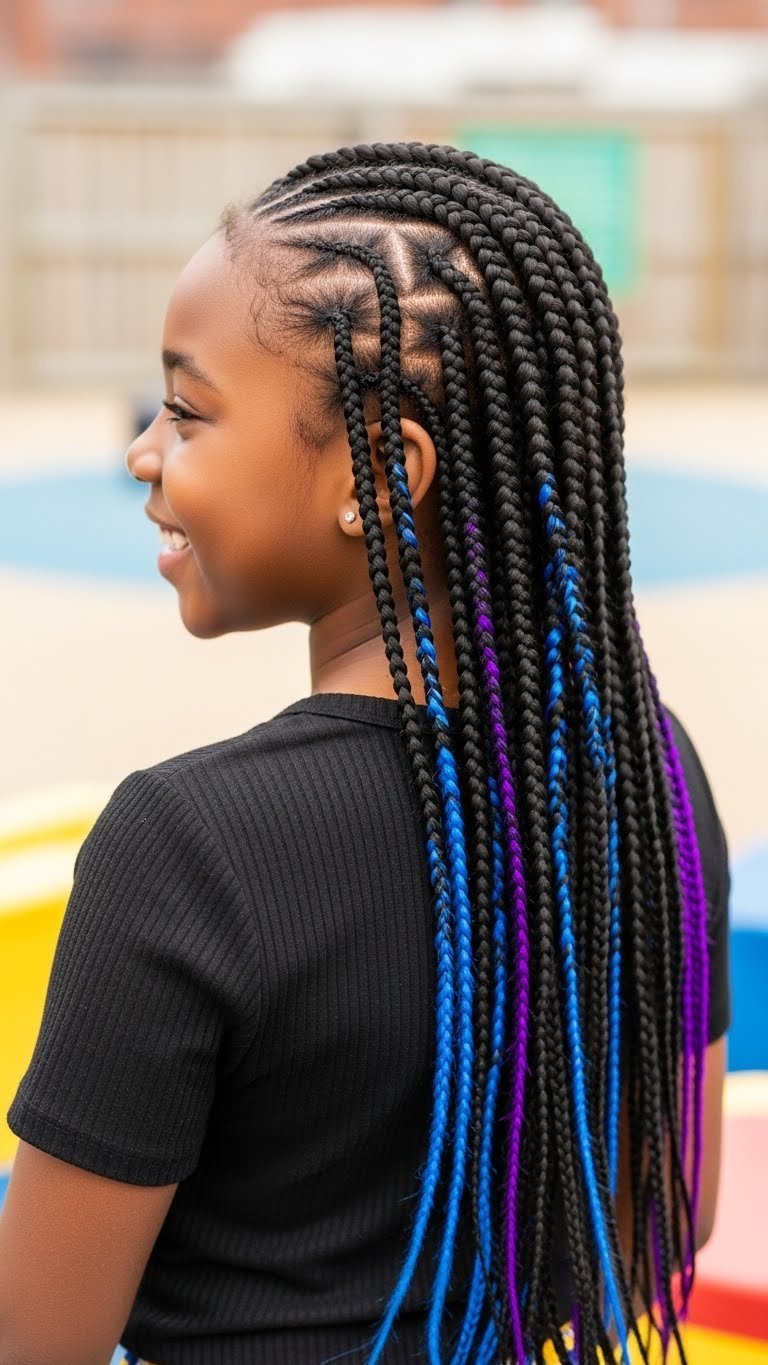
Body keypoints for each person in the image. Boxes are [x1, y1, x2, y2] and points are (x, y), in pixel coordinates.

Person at [1, 142, 730, 1365]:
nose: (146, 456)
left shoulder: (188, 844)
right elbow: (670, 1218)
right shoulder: (647, 771)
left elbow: (37, 1339)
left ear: (383, 474)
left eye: (186, 412)